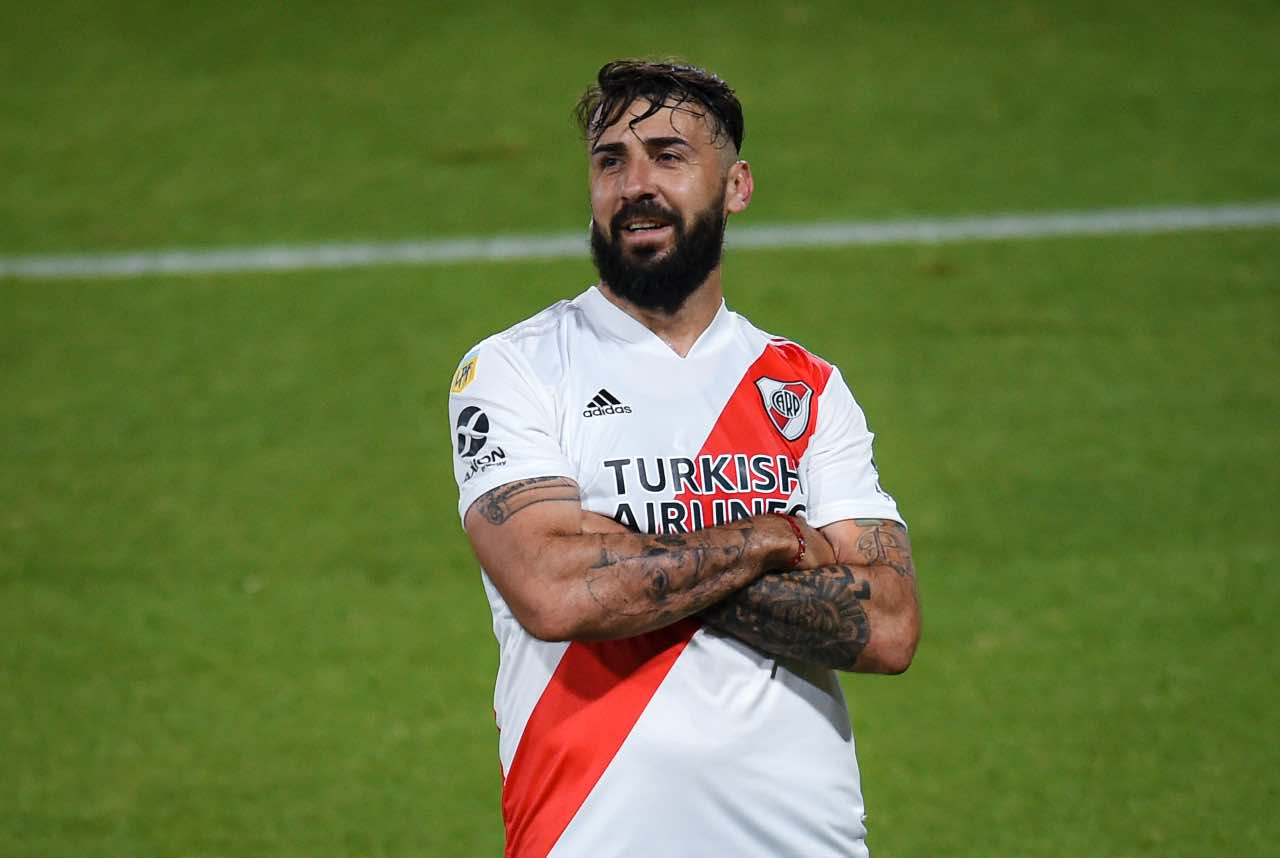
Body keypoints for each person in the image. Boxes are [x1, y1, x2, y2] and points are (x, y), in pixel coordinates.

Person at [448, 59, 920, 858]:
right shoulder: (517, 368)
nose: (634, 185)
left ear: (736, 186)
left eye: (668, 156)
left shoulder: (804, 387)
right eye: (610, 162)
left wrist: (614, 554)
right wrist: (768, 539)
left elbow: (889, 625)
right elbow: (552, 592)